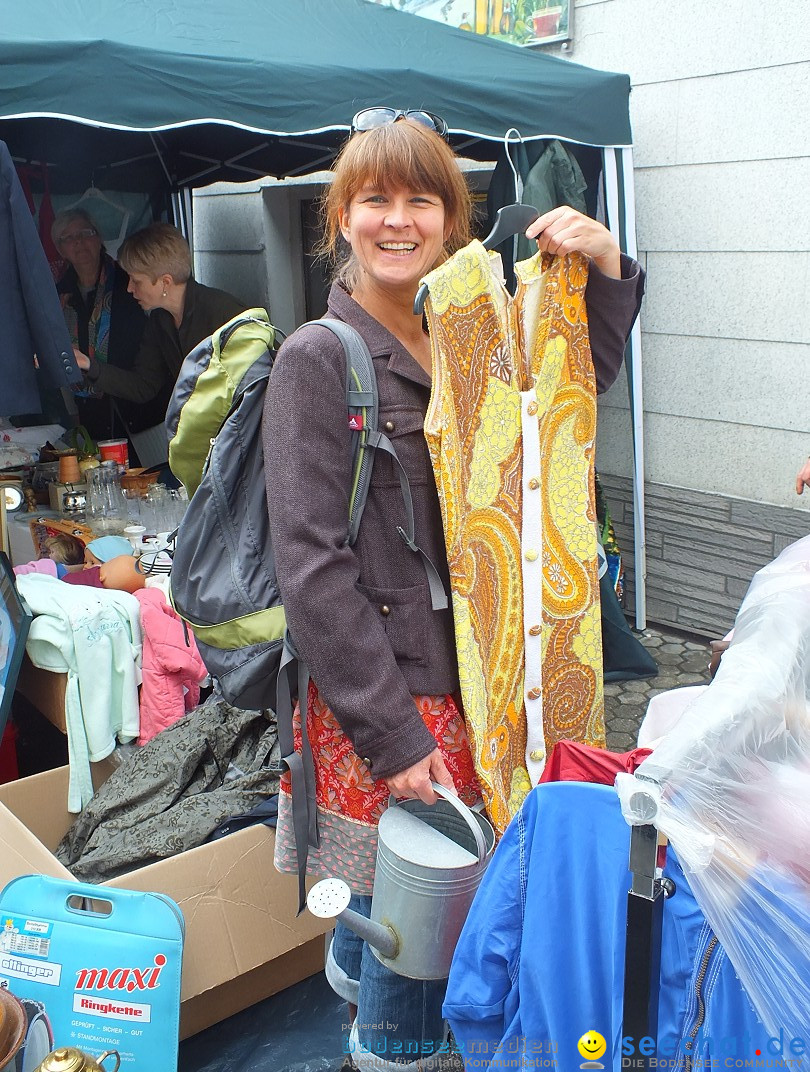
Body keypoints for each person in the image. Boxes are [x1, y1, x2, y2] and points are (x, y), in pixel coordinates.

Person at [263, 113, 644, 1072]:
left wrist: (606, 268)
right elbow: (311, 569)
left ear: (452, 216)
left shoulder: (464, 327)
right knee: (420, 949)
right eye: (375, 201)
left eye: (420, 200)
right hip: (400, 704)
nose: (398, 221)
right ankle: (384, 1055)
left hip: (487, 688)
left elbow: (568, 393)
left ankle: (361, 1026)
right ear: (341, 217)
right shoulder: (321, 356)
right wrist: (396, 738)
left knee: (402, 920)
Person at [73, 223, 246, 409]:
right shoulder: (159, 320)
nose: (129, 288)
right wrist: (88, 364)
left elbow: (260, 383)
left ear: (165, 282)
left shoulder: (224, 312)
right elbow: (143, 386)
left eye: (136, 281)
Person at [52, 208, 153, 451]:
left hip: (136, 413)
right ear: (60, 249)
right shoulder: (59, 295)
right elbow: (61, 355)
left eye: (85, 233)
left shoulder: (128, 282)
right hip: (88, 417)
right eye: (68, 237)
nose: (78, 242)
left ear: (98, 238)